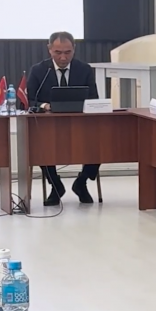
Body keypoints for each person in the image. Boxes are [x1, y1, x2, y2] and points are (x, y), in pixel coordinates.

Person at [27, 32, 100, 206]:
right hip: (48, 126)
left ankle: (81, 182)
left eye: (67, 52)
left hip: (80, 124)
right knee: (39, 145)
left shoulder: (84, 69)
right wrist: (45, 106)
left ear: (74, 49)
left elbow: (93, 98)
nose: (63, 57)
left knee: (99, 143)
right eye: (58, 52)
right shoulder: (39, 70)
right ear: (49, 49)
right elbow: (28, 100)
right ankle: (56, 186)